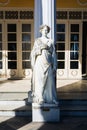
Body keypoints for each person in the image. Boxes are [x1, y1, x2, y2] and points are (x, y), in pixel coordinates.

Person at [31, 24, 58, 104]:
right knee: (40, 81)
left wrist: (55, 65)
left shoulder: (51, 41)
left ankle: (52, 98)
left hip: (48, 62)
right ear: (41, 31)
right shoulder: (37, 41)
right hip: (39, 63)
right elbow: (33, 53)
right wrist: (41, 48)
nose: (45, 31)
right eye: (44, 30)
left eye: (46, 30)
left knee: (50, 82)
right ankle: (40, 97)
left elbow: (54, 54)